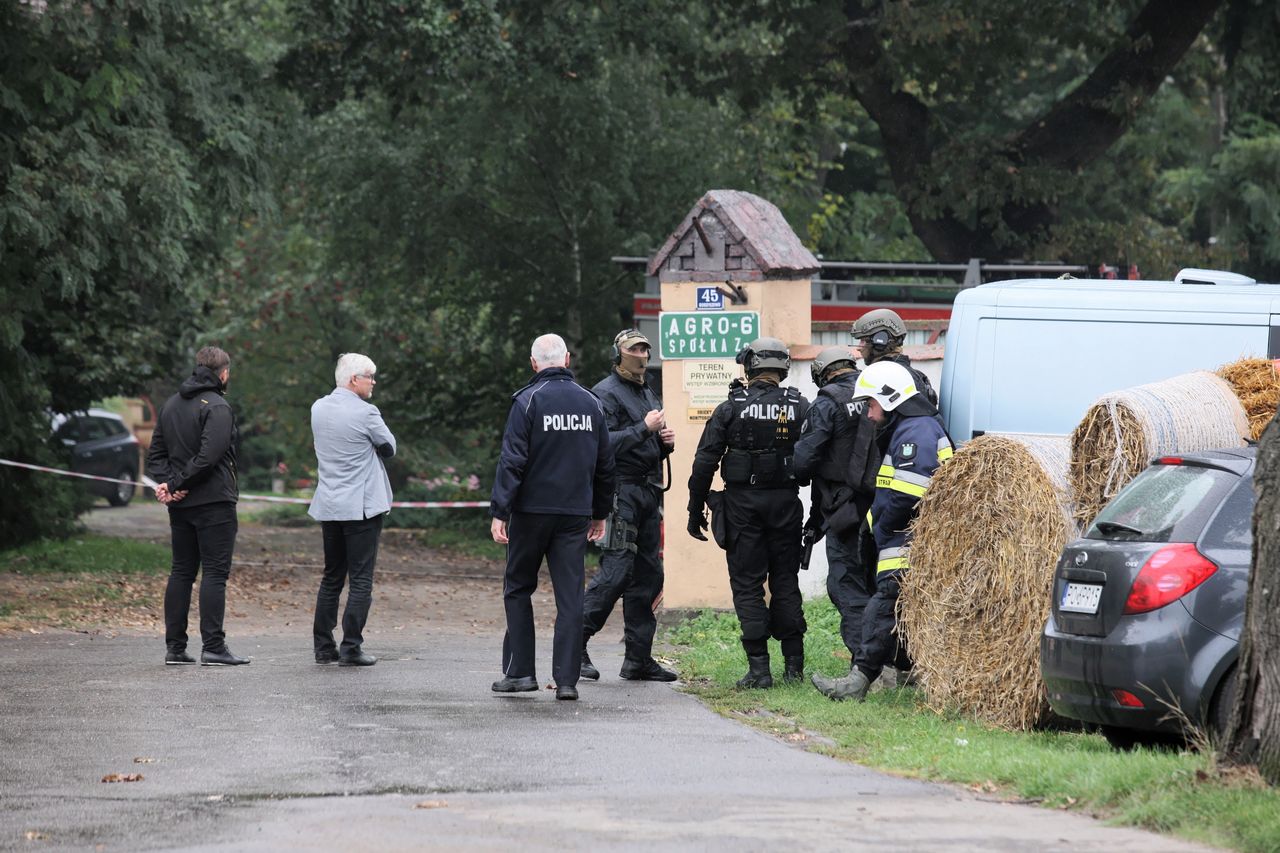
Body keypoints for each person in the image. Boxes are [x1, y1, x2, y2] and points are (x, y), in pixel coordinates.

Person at [812, 360, 953, 701]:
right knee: (893, 612)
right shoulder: (914, 427)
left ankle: (855, 684)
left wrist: (883, 528)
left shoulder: (915, 432)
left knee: (879, 610)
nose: (870, 416)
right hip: (901, 541)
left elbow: (907, 494)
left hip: (904, 544)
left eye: (872, 405)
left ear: (890, 399)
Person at [489, 334, 616, 701]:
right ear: (567, 359)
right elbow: (605, 465)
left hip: (531, 512)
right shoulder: (591, 403)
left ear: (533, 363)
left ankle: (521, 673)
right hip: (575, 514)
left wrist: (500, 510)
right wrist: (600, 512)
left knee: (517, 588)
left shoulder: (527, 401)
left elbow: (512, 460)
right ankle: (566, 681)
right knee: (570, 596)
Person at [687, 337, 810, 688]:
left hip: (742, 506)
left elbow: (704, 463)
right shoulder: (800, 405)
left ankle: (759, 671)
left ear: (750, 366)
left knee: (747, 585)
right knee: (785, 580)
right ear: (782, 367)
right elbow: (815, 457)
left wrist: (695, 510)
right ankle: (794, 669)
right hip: (786, 504)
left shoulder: (730, 407)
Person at [581, 329, 678, 683]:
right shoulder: (603, 393)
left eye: (645, 347)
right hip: (619, 493)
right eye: (635, 348)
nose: (642, 353)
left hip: (647, 492)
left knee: (649, 575)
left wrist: (664, 442)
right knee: (617, 572)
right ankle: (574, 645)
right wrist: (644, 428)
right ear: (618, 353)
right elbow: (600, 444)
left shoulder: (646, 390)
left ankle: (638, 660)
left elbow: (646, 438)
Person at [147, 346, 247, 666]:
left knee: (182, 572)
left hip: (182, 504)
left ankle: (175, 648)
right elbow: (209, 457)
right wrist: (174, 485)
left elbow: (156, 456)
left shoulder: (171, 405)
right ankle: (214, 647)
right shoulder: (217, 406)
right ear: (224, 373)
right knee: (214, 574)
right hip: (214, 501)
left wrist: (170, 485)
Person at [308, 353, 397, 667]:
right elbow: (389, 447)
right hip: (361, 507)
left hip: (330, 505)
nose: (373, 382)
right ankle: (351, 647)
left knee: (332, 576)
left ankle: (323, 646)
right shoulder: (366, 413)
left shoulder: (317, 408)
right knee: (361, 579)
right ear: (352, 379)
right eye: (369, 376)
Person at [793, 346, 878, 661]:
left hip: (845, 511)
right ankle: (893, 659)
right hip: (882, 504)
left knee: (846, 584)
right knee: (878, 583)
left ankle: (864, 664)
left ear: (822, 373)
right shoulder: (876, 392)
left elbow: (804, 460)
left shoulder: (827, 403)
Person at [849, 308, 939, 408]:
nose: (858, 348)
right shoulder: (917, 376)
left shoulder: (879, 378)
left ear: (880, 341)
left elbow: (870, 421)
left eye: (862, 341)